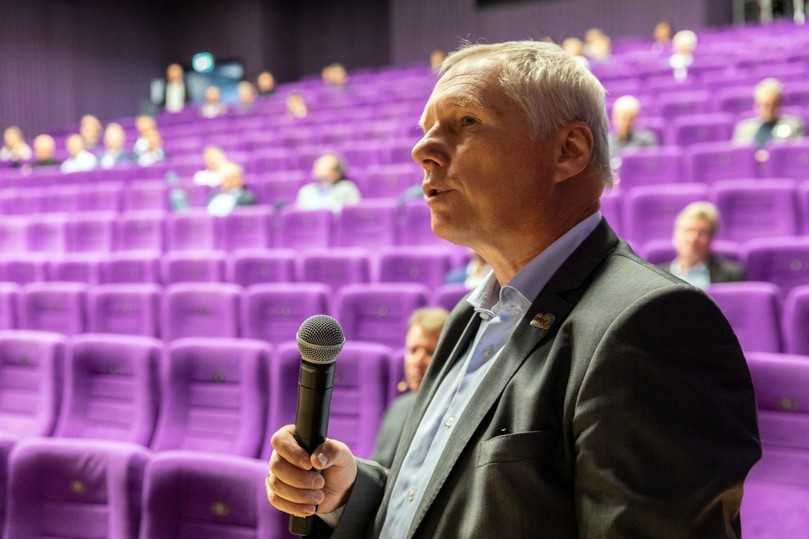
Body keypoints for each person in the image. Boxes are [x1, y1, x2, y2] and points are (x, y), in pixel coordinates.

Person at [266, 41, 760, 538]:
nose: (422, 150)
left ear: (569, 151)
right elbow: (455, 501)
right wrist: (351, 493)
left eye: (467, 123)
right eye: (426, 131)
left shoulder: (654, 326)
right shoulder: (470, 313)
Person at [372, 308, 450, 469]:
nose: (418, 362)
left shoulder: (452, 413)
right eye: (413, 350)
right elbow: (380, 467)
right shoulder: (399, 407)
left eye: (430, 352)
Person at [660, 202, 744, 289]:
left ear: (711, 239)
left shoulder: (731, 275)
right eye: (688, 230)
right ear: (675, 235)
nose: (693, 239)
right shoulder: (658, 275)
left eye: (701, 233)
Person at [733, 78, 805, 149]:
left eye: (773, 104)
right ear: (756, 104)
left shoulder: (794, 126)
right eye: (765, 105)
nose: (769, 109)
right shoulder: (744, 129)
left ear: (780, 103)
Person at [295, 153, 361, 212]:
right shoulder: (306, 190)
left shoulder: (347, 188)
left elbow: (353, 213)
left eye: (323, 167)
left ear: (337, 172)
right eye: (316, 167)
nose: (317, 170)